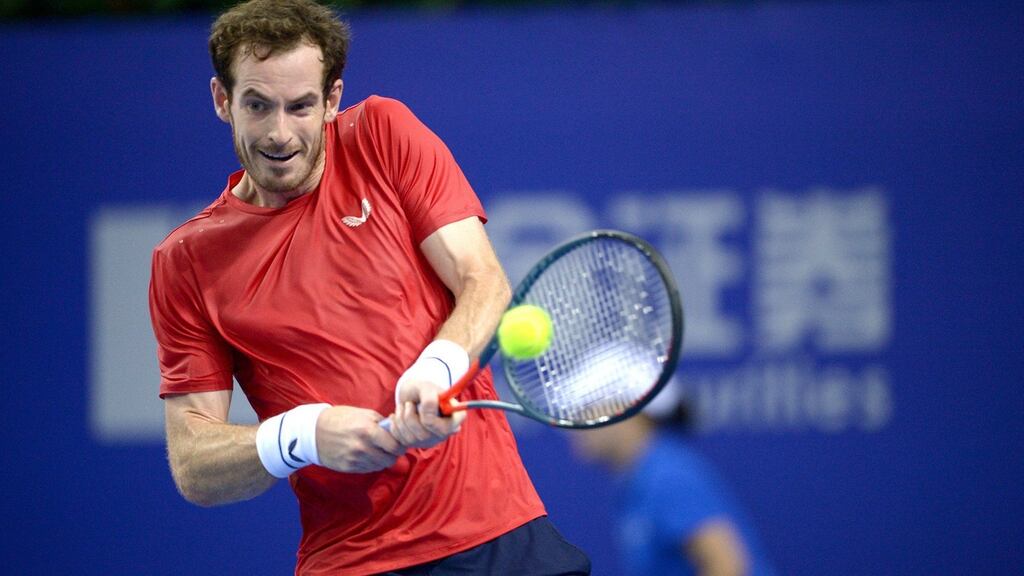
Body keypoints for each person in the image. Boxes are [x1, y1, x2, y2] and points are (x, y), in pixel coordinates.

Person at [147, 1, 591, 574]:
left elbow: (482, 279)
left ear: (331, 99)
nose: (279, 133)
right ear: (222, 100)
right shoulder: (187, 260)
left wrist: (437, 370)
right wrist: (303, 435)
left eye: (301, 106)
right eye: (257, 105)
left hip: (498, 534)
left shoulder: (381, 133)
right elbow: (194, 465)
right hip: (352, 560)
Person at [571, 383, 776, 576]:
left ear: (627, 409)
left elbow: (728, 566)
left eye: (587, 409)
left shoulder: (667, 476)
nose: (575, 425)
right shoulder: (638, 478)